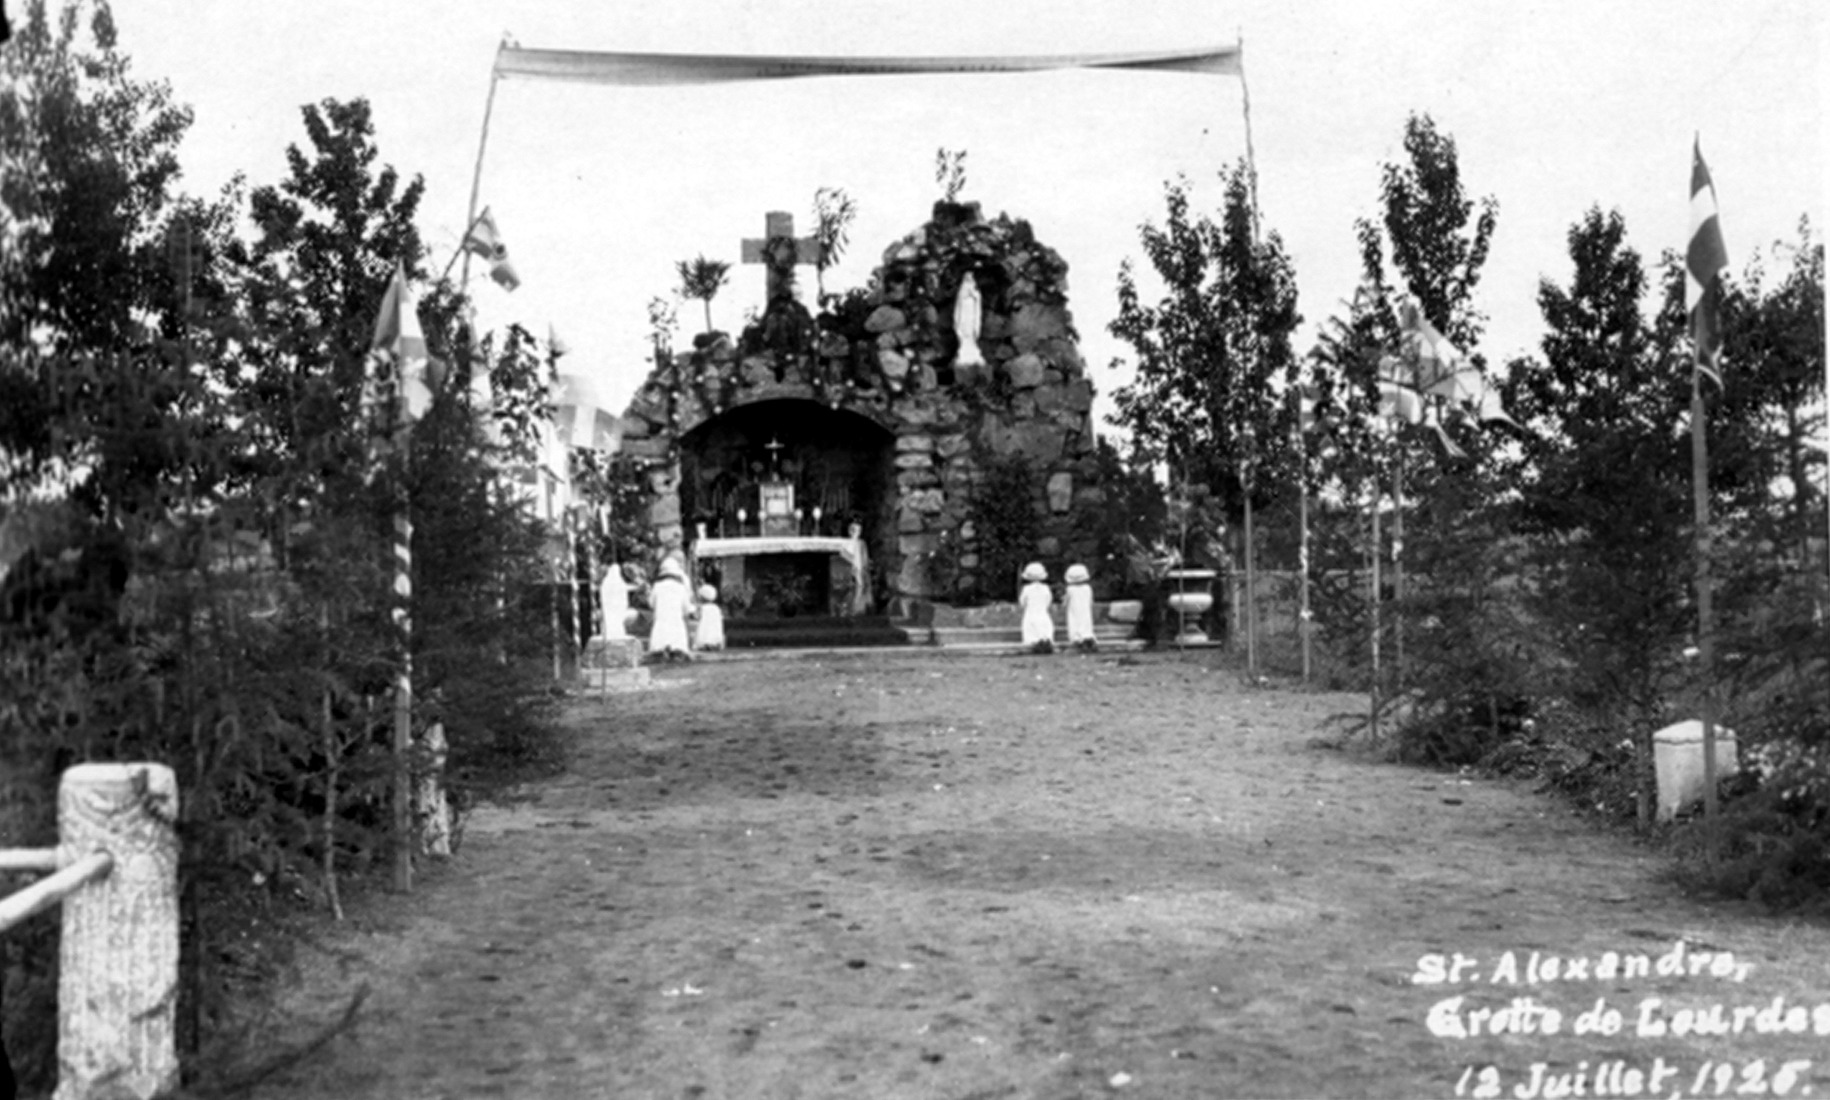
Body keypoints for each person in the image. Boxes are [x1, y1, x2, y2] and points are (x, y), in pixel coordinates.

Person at [647, 557, 693, 662]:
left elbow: (651, 603)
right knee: (677, 635)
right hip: (676, 617)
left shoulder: (657, 586)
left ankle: (660, 651)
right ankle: (677, 652)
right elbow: (686, 606)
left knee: (660, 633)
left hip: (661, 617)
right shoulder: (680, 587)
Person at [1018, 561, 1054, 654]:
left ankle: (1034, 643)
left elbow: (1022, 602)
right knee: (1044, 626)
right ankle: (1045, 641)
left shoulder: (1026, 589)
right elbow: (1048, 600)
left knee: (1031, 628)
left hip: (1031, 612)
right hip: (1042, 612)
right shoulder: (1046, 588)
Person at [1064, 563, 1096, 652]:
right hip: (1085, 609)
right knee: (1086, 622)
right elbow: (1091, 600)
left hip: (1074, 609)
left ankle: (1077, 639)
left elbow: (1066, 601)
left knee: (1075, 622)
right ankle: (1087, 637)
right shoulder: (1087, 588)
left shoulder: (1070, 589)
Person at [694, 582, 725, 651]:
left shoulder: (702, 608)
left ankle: (705, 644)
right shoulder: (716, 608)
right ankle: (714, 644)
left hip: (703, 633)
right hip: (715, 635)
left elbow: (696, 617)